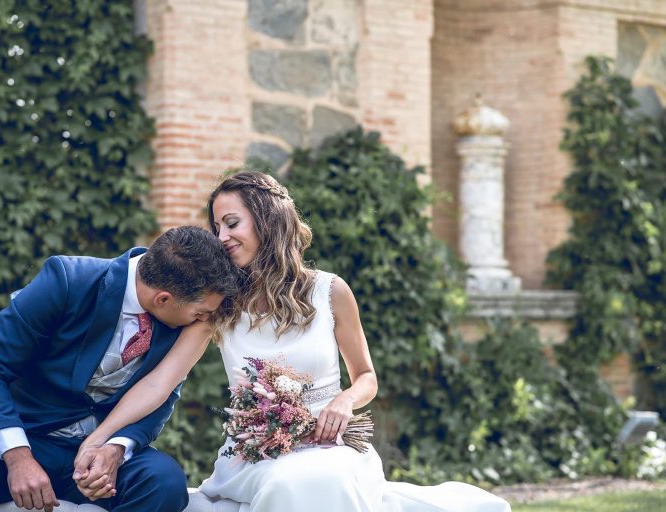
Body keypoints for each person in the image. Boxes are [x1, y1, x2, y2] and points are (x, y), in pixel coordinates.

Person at [76, 172, 512, 512]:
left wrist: (345, 402)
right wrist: (100, 440)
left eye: (232, 223)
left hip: (330, 446)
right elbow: (158, 384)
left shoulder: (331, 291)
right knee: (288, 482)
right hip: (256, 454)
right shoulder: (219, 306)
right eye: (217, 226)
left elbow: (365, 376)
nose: (222, 236)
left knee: (326, 479)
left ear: (267, 219)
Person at [0, 226, 240, 512]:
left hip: (98, 460)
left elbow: (161, 395)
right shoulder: (67, 280)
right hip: (27, 432)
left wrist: (116, 448)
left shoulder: (180, 324)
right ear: (164, 299)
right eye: (200, 313)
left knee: (164, 482)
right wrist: (17, 457)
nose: (203, 322)